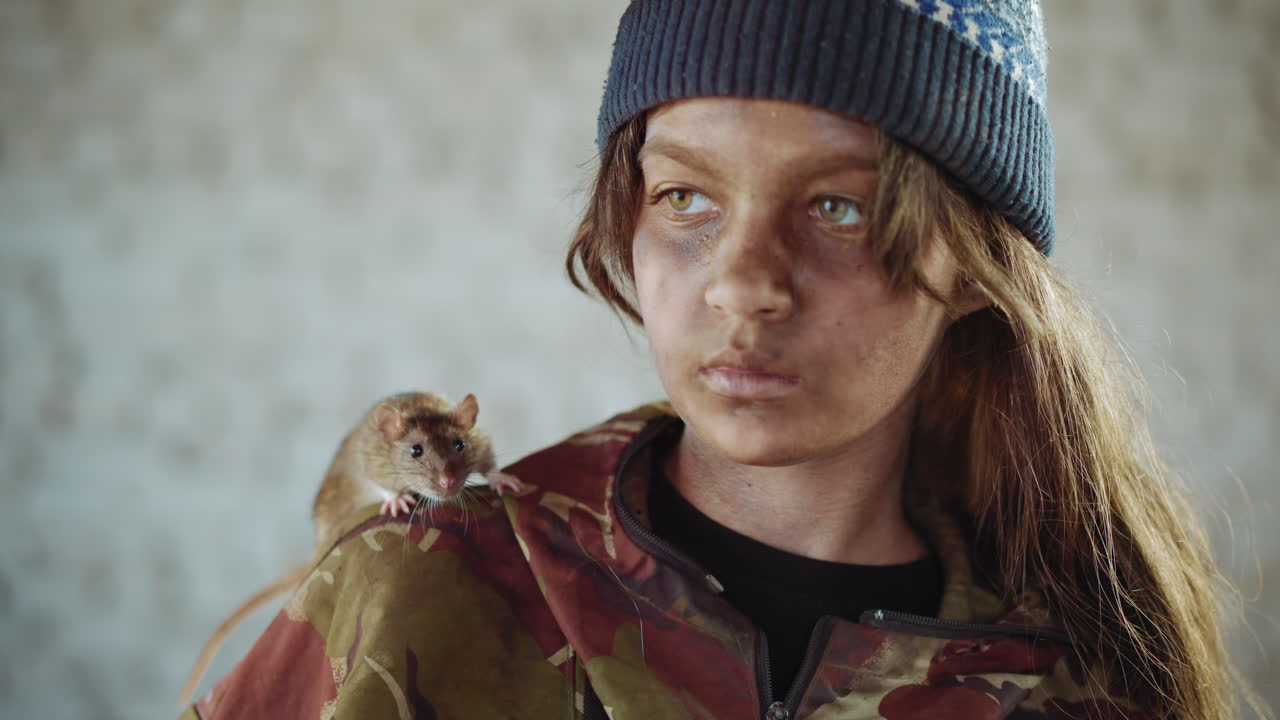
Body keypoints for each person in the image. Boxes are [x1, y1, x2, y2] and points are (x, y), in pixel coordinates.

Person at [179, 1, 1260, 718]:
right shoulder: (421, 586)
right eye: (684, 196)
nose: (743, 280)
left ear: (974, 264)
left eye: (838, 207)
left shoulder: (1096, 671)